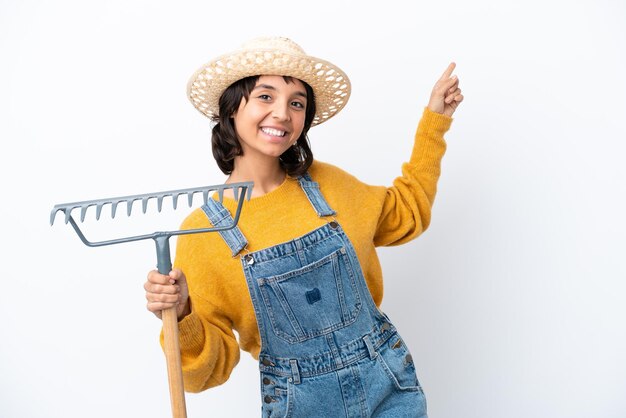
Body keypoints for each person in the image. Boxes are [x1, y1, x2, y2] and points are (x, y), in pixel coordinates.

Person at [144, 36, 462, 417]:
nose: (282, 113)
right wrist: (181, 314)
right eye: (266, 96)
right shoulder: (203, 234)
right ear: (231, 108)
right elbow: (202, 376)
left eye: (297, 103)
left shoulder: (330, 186)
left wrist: (435, 121)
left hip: (388, 391)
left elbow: (408, 210)